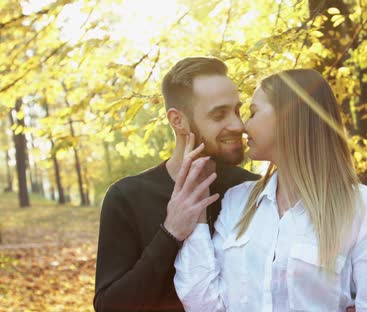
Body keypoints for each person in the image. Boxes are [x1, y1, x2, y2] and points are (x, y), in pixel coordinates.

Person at [174, 69, 367, 311]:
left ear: (289, 116)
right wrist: (197, 215)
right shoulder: (238, 202)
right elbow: (203, 302)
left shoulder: (366, 210)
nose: (243, 126)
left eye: (253, 113)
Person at [94, 57, 259, 312]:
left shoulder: (254, 191)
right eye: (219, 114)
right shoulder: (127, 197)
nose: (238, 125)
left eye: (237, 110)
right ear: (178, 120)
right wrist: (170, 233)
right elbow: (110, 306)